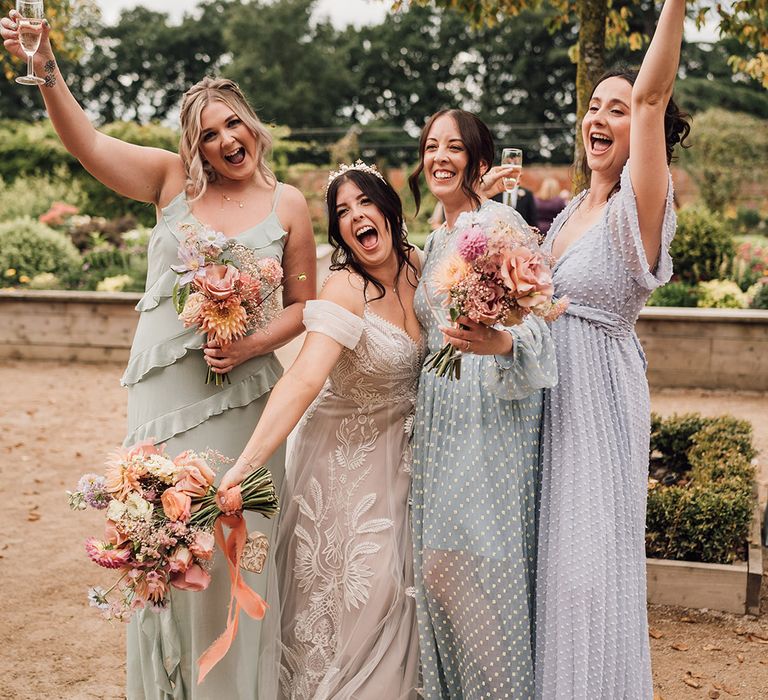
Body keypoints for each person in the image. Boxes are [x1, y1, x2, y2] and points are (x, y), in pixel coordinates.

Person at [1, 13, 316, 699]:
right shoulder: (173, 183)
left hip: (244, 403)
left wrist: (254, 342)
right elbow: (85, 144)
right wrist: (46, 67)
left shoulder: (289, 204)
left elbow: (303, 307)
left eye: (232, 124)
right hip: (165, 401)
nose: (224, 140)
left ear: (252, 124)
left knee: (239, 540)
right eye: (207, 133)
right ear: (192, 146)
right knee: (162, 539)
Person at [218, 163, 423, 699]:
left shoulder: (422, 268)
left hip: (409, 458)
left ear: (389, 209)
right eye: (342, 212)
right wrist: (247, 464)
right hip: (343, 465)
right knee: (361, 589)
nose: (356, 217)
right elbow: (305, 378)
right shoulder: (343, 289)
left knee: (401, 592)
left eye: (364, 204)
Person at [534, 0, 691, 697]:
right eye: (594, 105)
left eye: (618, 109)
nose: (600, 117)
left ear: (644, 129)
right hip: (548, 400)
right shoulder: (571, 211)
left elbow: (655, 94)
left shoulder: (638, 205)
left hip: (598, 398)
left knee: (585, 576)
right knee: (550, 570)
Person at [408, 109, 557, 698]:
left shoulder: (502, 226)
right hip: (441, 416)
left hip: (490, 411)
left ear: (479, 161)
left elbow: (541, 323)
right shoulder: (436, 238)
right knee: (440, 569)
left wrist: (501, 340)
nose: (439, 156)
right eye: (430, 146)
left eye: (453, 147)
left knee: (474, 568)